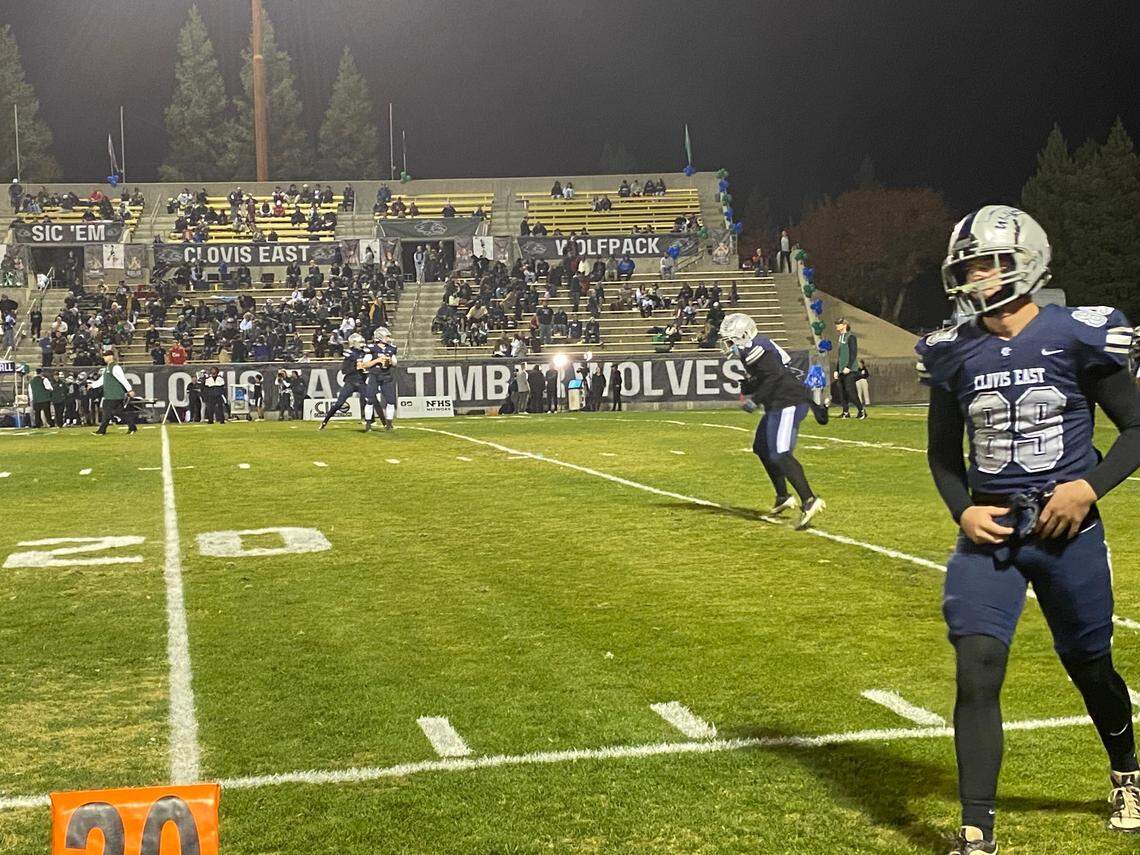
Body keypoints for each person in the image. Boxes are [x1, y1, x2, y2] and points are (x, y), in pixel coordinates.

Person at [916, 205, 1140, 853]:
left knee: (1089, 663)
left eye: (990, 262)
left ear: (1028, 262)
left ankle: (1126, 766)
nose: (978, 276)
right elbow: (941, 452)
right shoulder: (952, 351)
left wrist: (1088, 487)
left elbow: (1135, 429)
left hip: (1067, 530)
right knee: (977, 668)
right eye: (969, 266)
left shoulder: (1078, 334)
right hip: (990, 536)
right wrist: (961, 507)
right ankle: (976, 830)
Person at [719, 312, 828, 529]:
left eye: (730, 340)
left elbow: (775, 377)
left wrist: (755, 399)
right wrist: (750, 385)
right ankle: (782, 496)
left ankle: (809, 500)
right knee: (761, 447)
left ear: (743, 335)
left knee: (780, 453)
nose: (728, 345)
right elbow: (768, 375)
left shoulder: (758, 349)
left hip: (788, 402)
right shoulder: (753, 347)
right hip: (778, 403)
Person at [319, 333, 370, 430]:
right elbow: (344, 370)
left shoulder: (365, 353)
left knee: (370, 400)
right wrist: (356, 367)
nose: (362, 344)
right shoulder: (350, 354)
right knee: (339, 403)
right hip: (351, 382)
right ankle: (325, 421)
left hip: (362, 381)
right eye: (360, 342)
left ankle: (371, 422)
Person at [91, 346, 138, 435]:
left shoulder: (115, 368)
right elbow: (102, 380)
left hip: (114, 395)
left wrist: (130, 390)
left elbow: (123, 379)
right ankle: (132, 427)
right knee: (119, 412)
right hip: (110, 395)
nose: (104, 358)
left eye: (105, 356)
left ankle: (102, 430)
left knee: (107, 411)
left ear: (111, 356)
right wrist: (92, 385)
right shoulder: (107, 368)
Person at [360, 326, 398, 431]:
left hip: (386, 376)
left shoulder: (391, 348)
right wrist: (377, 360)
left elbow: (395, 363)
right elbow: (365, 364)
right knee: (370, 400)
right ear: (380, 337)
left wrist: (389, 360)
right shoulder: (372, 349)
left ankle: (389, 424)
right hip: (374, 376)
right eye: (386, 336)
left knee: (390, 401)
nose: (388, 338)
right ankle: (368, 424)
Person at [833, 318, 865, 419]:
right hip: (842, 370)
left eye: (839, 324)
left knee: (850, 390)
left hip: (850, 370)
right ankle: (846, 412)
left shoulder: (851, 337)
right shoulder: (841, 337)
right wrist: (836, 369)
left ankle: (861, 410)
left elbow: (853, 353)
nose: (837, 326)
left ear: (845, 325)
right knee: (842, 391)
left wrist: (848, 367)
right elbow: (840, 356)